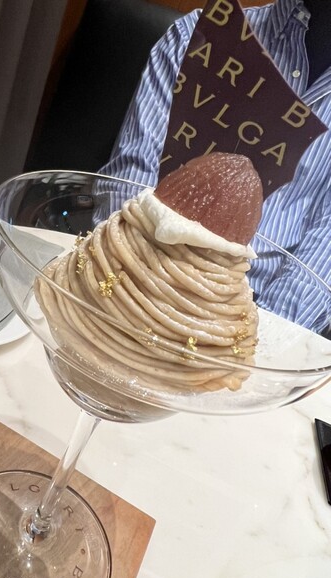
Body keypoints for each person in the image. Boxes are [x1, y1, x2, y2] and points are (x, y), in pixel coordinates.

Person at [99, 0, 331, 336]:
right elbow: (129, 183)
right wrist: (150, 302)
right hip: (134, 285)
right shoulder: (201, 36)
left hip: (259, 324)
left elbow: (321, 259)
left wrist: (249, 342)